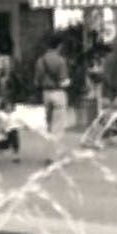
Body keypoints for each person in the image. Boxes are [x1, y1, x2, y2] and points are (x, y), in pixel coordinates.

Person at [33, 34, 71, 163]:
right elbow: (64, 81)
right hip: (58, 93)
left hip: (46, 93)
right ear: (59, 46)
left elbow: (37, 81)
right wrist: (69, 82)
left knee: (49, 125)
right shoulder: (60, 61)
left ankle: (48, 154)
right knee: (58, 126)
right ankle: (55, 156)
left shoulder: (40, 61)